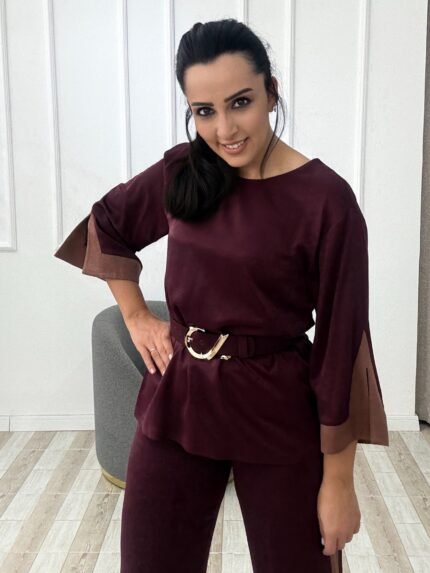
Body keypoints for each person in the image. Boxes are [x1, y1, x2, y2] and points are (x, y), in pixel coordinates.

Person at [54, 18, 389, 573]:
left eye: (241, 103)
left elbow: (340, 350)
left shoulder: (326, 201)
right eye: (204, 111)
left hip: (278, 408)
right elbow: (107, 224)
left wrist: (338, 483)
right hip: (180, 397)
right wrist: (136, 316)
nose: (225, 129)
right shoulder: (183, 172)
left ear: (271, 92)